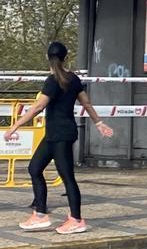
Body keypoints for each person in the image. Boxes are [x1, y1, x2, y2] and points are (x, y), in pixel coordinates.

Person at [4, 42, 113, 234]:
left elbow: (38, 107)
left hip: (61, 135)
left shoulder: (53, 80)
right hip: (54, 135)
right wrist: (98, 123)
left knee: (67, 176)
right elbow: (86, 103)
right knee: (34, 168)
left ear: (48, 58)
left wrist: (15, 126)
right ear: (65, 58)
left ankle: (77, 219)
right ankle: (40, 215)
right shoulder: (73, 78)